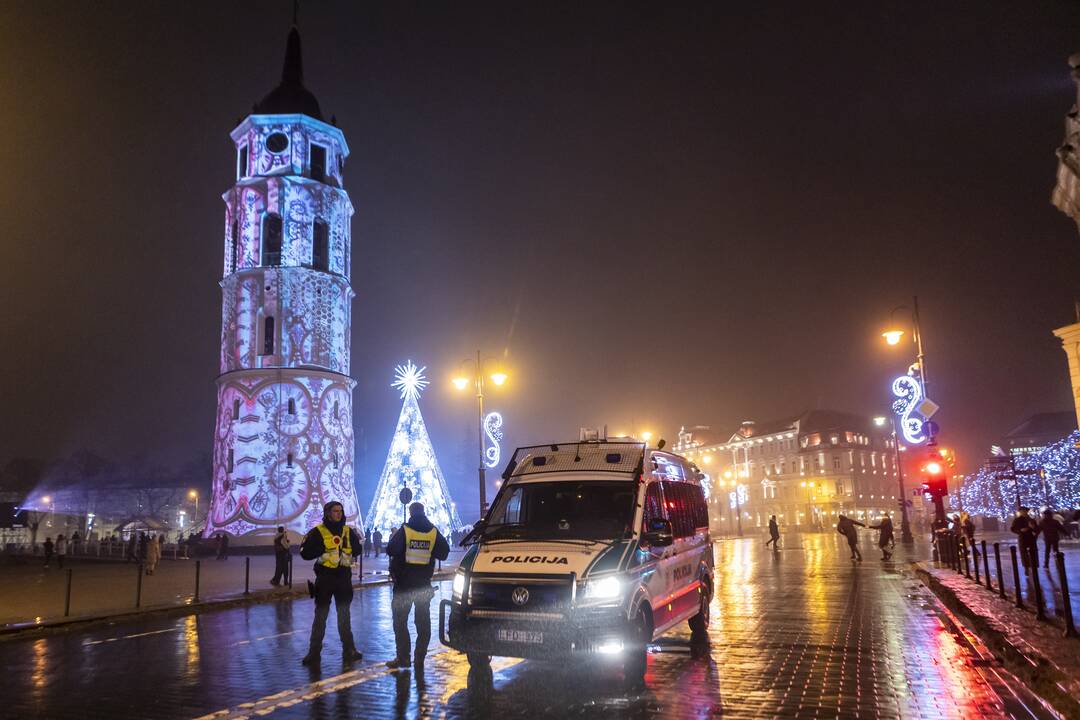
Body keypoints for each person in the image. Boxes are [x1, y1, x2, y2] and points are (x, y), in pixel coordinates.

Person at [385, 502, 450, 671]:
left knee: (400, 622)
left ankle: (404, 658)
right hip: (423, 585)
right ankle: (419, 658)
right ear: (424, 512)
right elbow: (443, 552)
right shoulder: (433, 531)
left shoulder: (405, 530)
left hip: (404, 586)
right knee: (423, 624)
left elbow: (391, 550)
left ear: (411, 512)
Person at [299, 501, 363, 666]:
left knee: (344, 616)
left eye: (340, 511)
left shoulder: (348, 531)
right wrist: (320, 548)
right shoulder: (318, 532)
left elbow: (358, 550)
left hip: (343, 578)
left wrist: (353, 546)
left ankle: (349, 649)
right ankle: (314, 653)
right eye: (335, 511)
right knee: (320, 616)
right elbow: (305, 553)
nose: (339, 514)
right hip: (325, 578)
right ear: (328, 513)